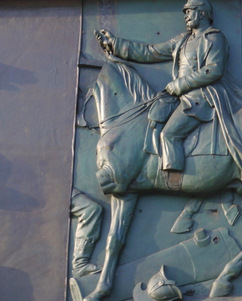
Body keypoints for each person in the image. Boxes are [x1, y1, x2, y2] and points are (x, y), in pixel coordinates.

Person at [96, 0, 227, 172]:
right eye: (185, 12)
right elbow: (151, 51)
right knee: (152, 119)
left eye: (189, 11)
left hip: (200, 97)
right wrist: (116, 45)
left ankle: (174, 177)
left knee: (169, 134)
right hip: (178, 97)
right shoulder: (183, 40)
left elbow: (214, 69)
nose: (186, 16)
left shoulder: (214, 38)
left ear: (202, 13)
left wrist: (180, 84)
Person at [70, 188, 103, 277]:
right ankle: (80, 264)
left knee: (92, 209)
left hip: (59, 184)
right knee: (91, 209)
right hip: (48, 187)